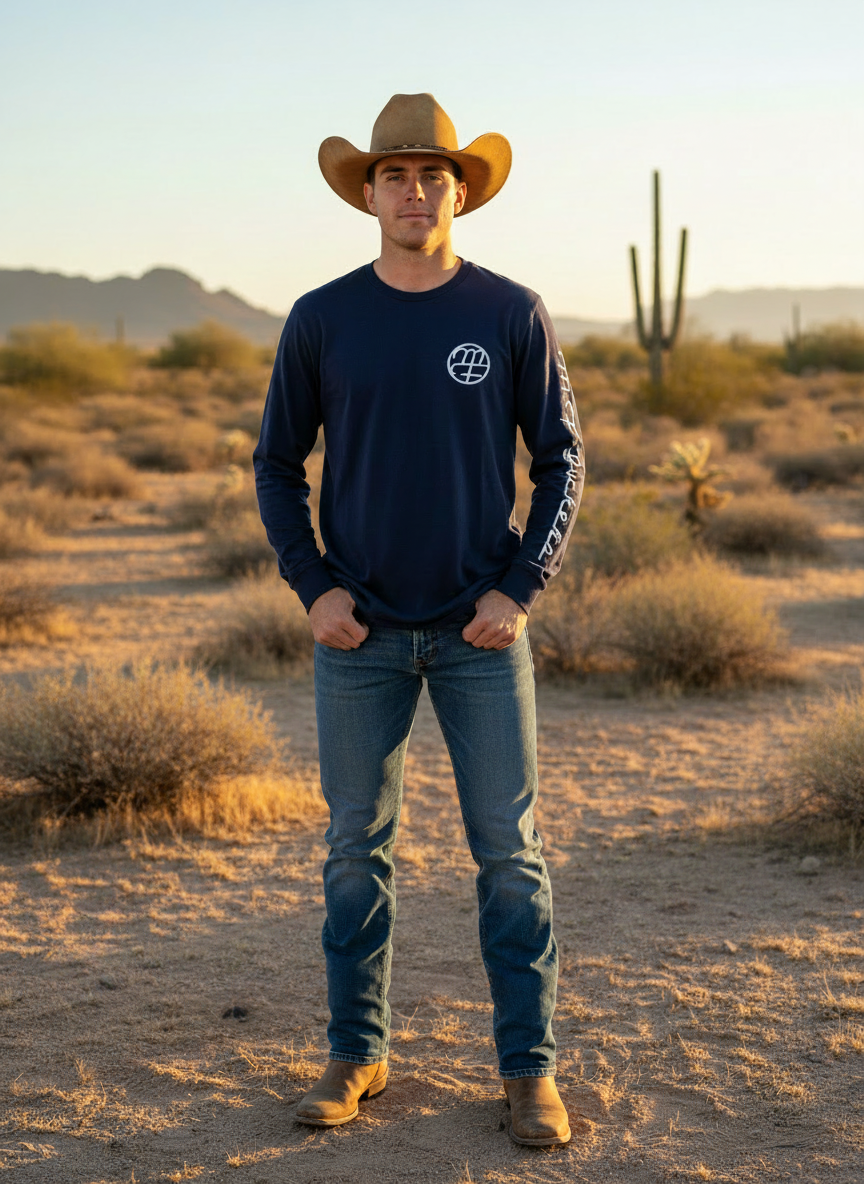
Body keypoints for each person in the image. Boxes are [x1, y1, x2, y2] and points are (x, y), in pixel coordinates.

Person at [253, 93, 584, 1148]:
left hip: (482, 635)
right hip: (361, 639)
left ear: (460, 190)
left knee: (511, 854)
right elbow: (275, 463)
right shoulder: (323, 316)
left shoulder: (509, 311)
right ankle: (358, 1052)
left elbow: (563, 458)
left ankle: (528, 1070)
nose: (412, 189)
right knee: (356, 851)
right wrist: (314, 586)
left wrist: (519, 587)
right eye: (393, 173)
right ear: (367, 191)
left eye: (432, 173)